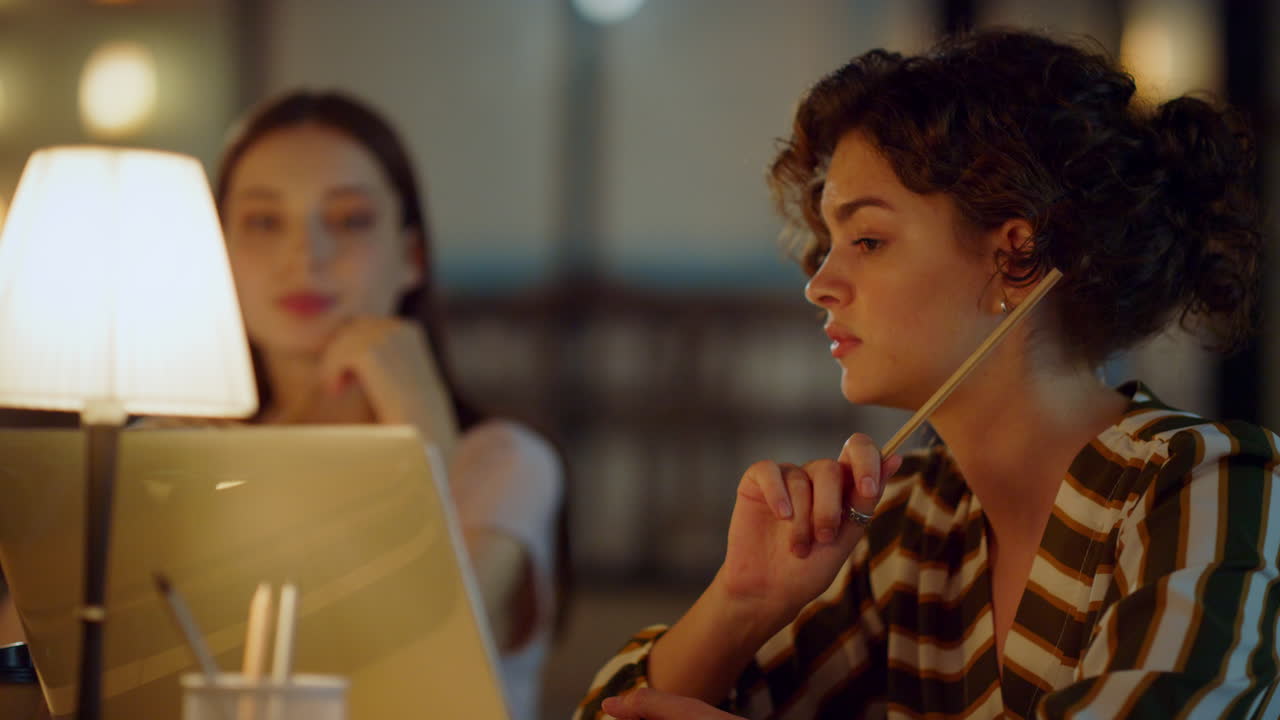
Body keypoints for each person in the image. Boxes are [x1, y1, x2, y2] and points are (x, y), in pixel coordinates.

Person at [576, 30, 1278, 719]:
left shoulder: (1210, 487)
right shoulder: (911, 520)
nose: (818, 284)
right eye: (826, 243)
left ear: (1015, 256)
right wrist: (744, 602)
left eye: (869, 240)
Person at [210, 91, 564, 719]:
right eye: (265, 222)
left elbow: (415, 664)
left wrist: (419, 416)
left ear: (412, 256)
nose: (306, 257)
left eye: (349, 220)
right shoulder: (191, 465)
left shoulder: (507, 462)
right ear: (217, 254)